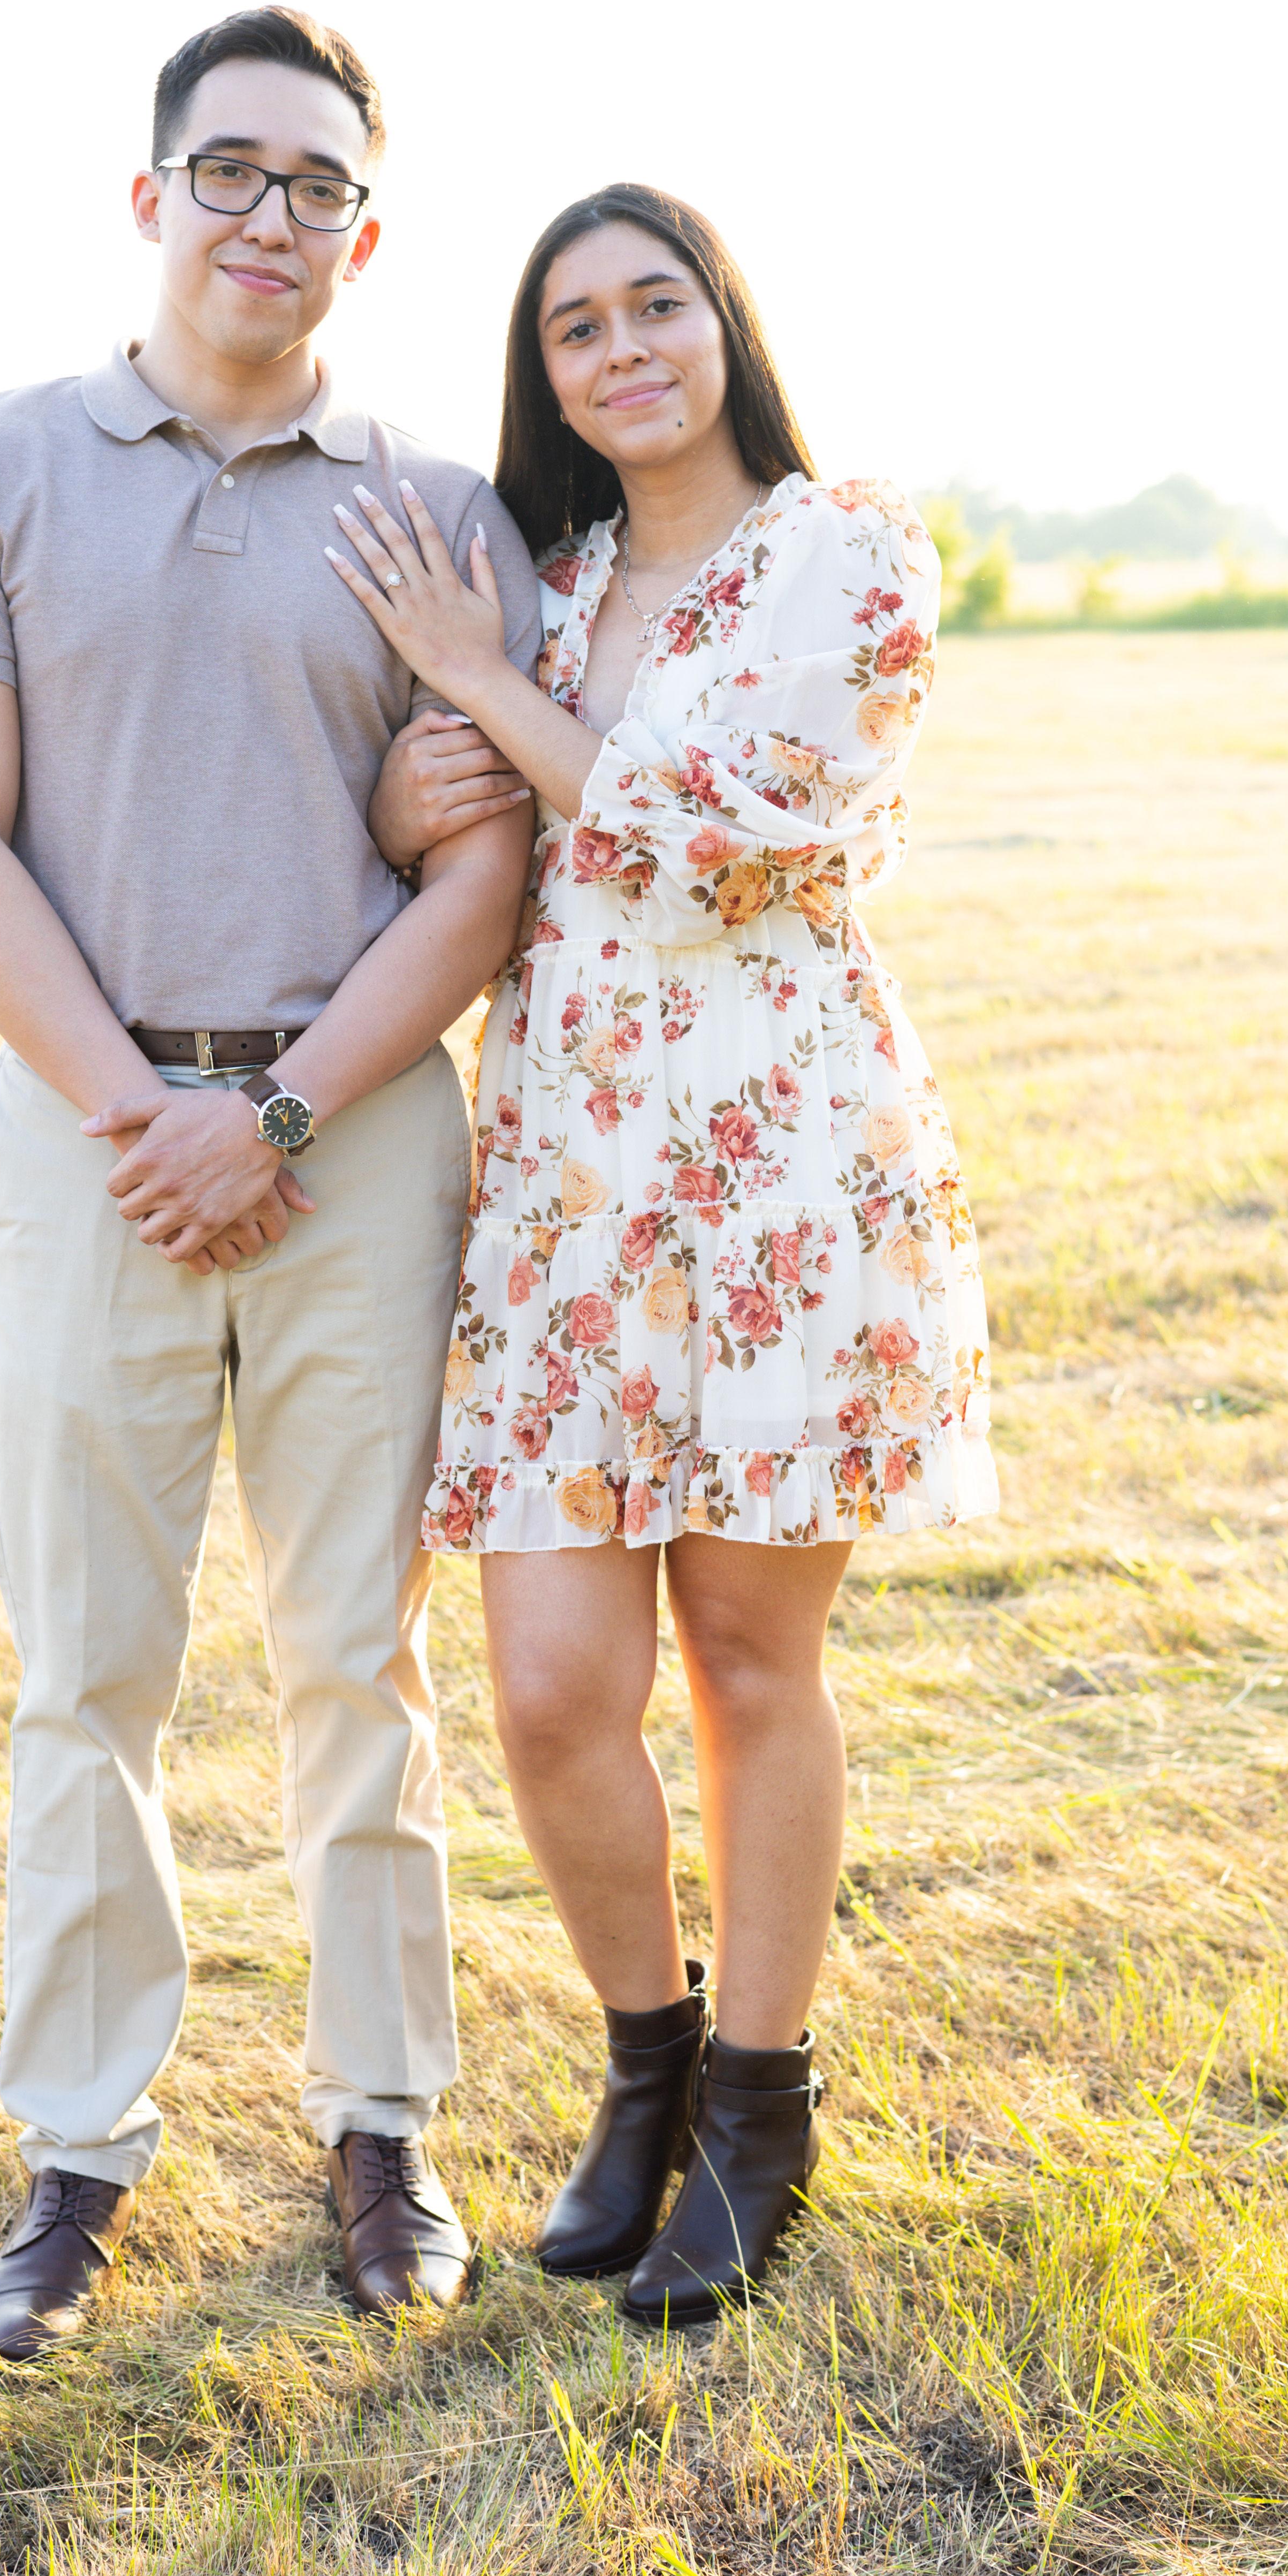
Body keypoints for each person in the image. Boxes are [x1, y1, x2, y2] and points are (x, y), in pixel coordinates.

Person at [0, 8, 540, 2359]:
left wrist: (276, 1118)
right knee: (91, 1668)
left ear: (370, 230)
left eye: (319, 183)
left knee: (360, 1655)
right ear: (150, 196)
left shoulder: (442, 515)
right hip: (88, 1137)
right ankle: (78, 2154)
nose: (274, 215)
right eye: (233, 170)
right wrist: (142, 1113)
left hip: (361, 1136)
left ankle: (384, 2131)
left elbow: (482, 877)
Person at [338, 181, 997, 2323]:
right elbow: (464, 833)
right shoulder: (547, 587)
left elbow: (718, 842)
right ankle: (649, 2069)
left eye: (656, 306)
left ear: (725, 322)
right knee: (550, 1692)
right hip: (566, 1184)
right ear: (544, 375)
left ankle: (763, 2109)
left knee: (745, 1657)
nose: (621, 350)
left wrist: (474, 685)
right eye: (576, 327)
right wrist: (428, 766)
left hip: (779, 1166)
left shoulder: (850, 551)